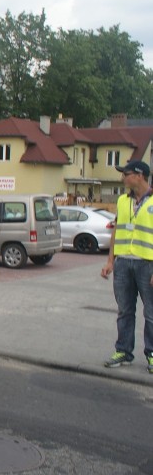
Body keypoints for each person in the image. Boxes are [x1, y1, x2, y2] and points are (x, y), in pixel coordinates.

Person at [100, 160, 153, 374]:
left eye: (126, 174)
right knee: (124, 310)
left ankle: (151, 353)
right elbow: (116, 230)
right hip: (123, 263)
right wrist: (111, 260)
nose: (123, 178)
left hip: (147, 264)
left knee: (151, 313)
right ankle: (123, 351)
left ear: (139, 176)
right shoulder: (122, 200)